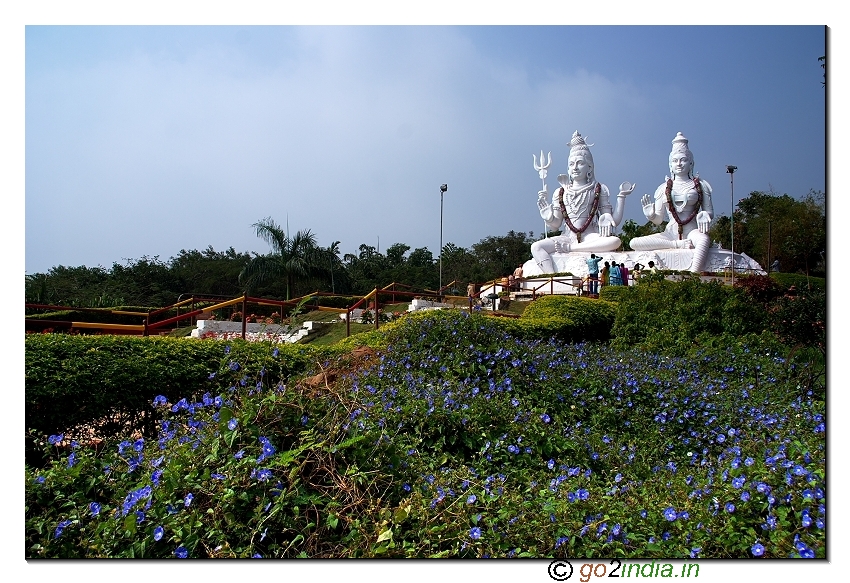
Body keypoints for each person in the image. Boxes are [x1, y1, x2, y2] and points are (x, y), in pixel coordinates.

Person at [530, 131, 634, 273]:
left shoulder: (598, 189)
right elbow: (555, 226)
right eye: (571, 164)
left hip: (590, 236)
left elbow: (613, 220)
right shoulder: (560, 192)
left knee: (614, 241)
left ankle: (571, 249)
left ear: (589, 167)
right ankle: (553, 278)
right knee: (536, 247)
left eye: (580, 163)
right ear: (568, 168)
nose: (575, 167)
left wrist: (621, 197)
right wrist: (548, 217)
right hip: (567, 237)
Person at [629, 132, 714, 273]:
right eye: (675, 161)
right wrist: (651, 215)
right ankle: (677, 244)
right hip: (670, 233)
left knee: (704, 240)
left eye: (683, 160)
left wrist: (705, 215)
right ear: (670, 164)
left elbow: (709, 211)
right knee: (634, 242)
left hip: (691, 230)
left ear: (691, 163)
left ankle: (694, 275)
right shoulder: (663, 188)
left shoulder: (701, 186)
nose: (679, 164)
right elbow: (659, 220)